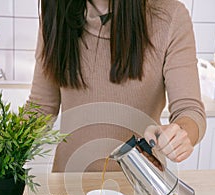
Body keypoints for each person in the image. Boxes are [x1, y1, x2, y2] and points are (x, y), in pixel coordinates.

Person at [28, 0, 206, 172]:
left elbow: (189, 110)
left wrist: (180, 134)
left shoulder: (170, 16)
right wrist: (4, 146)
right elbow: (41, 108)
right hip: (68, 185)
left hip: (142, 187)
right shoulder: (56, 15)